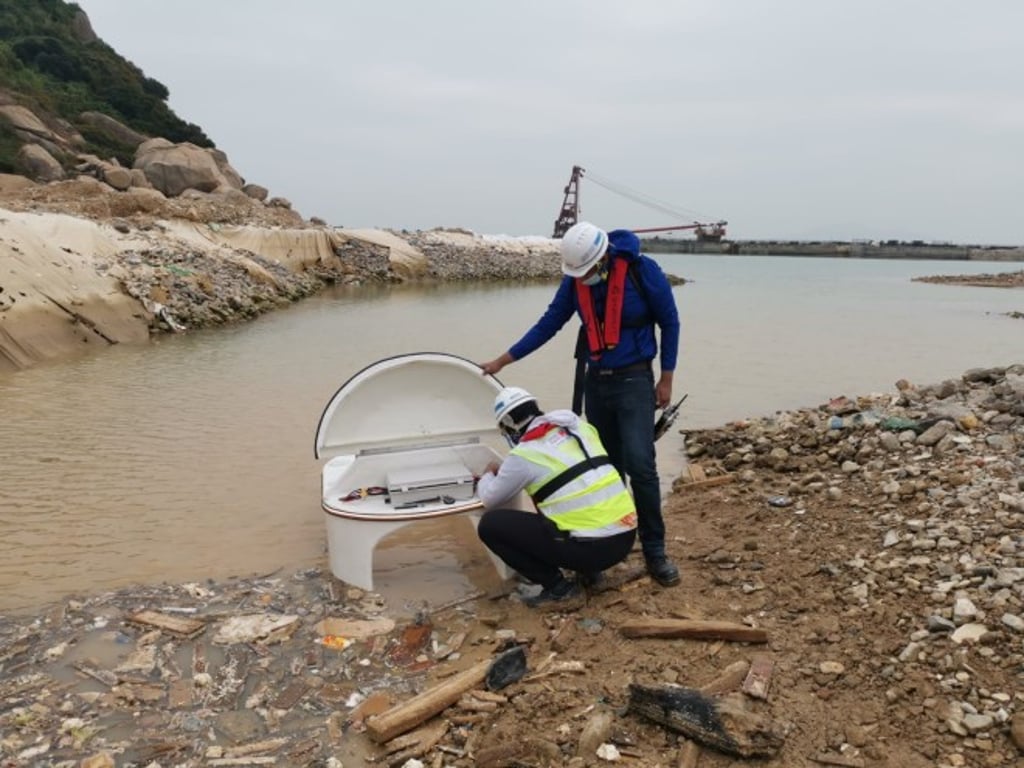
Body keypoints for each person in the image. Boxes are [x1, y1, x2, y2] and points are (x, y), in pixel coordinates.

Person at [479, 221, 681, 587]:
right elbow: (549, 323)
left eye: (587, 271)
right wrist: (503, 360)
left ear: (603, 258)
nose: (583, 277)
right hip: (597, 382)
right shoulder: (575, 281)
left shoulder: (642, 271)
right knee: (605, 464)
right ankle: (598, 543)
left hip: (635, 379)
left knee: (641, 464)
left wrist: (666, 377)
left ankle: (655, 551)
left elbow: (670, 321)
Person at [475, 386, 637, 607]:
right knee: (568, 491)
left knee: (490, 525)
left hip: (594, 551)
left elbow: (489, 498)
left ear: (510, 423)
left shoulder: (524, 455)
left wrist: (487, 474)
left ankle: (558, 587)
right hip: (625, 537)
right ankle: (590, 573)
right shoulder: (580, 428)